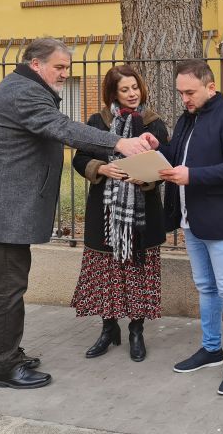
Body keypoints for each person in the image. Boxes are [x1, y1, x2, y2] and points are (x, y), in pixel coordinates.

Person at [0, 38, 157, 389]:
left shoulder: (22, 86)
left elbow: (61, 130)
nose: (65, 73)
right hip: (6, 209)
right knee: (9, 289)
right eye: (59, 67)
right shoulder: (25, 92)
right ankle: (6, 367)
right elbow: (63, 129)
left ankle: (5, 352)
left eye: (67, 67)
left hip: (6, 205)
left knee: (9, 285)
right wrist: (119, 142)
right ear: (36, 64)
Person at [158, 59, 223, 396]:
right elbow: (177, 153)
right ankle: (212, 349)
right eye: (181, 92)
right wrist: (156, 148)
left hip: (222, 222)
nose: (185, 98)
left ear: (210, 87)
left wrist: (191, 175)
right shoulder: (187, 119)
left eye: (190, 92)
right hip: (190, 220)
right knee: (206, 288)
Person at [70, 65, 169, 362]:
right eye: (124, 90)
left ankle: (136, 331)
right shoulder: (97, 122)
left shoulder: (153, 124)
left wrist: (148, 178)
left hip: (142, 212)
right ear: (113, 93)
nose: (131, 94)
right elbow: (80, 159)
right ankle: (108, 328)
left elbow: (165, 164)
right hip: (105, 210)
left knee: (137, 269)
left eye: (135, 88)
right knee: (107, 271)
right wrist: (101, 168)